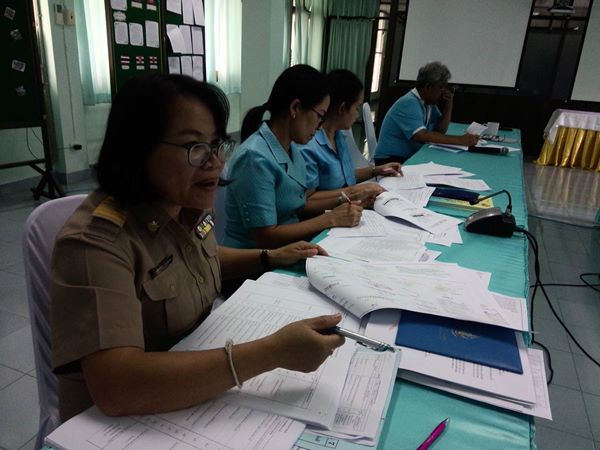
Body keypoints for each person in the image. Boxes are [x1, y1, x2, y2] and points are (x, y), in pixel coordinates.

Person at [50, 74, 345, 422]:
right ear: (138, 149)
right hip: (119, 421)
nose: (215, 163)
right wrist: (272, 353)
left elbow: (194, 260)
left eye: (216, 145)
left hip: (193, 381)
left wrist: (269, 257)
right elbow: (117, 387)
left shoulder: (186, 205)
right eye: (195, 147)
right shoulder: (96, 243)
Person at [224, 65, 362, 249]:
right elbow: (266, 236)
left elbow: (298, 205)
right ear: (295, 108)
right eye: (319, 116)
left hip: (289, 248)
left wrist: (344, 201)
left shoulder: (292, 149)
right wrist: (330, 219)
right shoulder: (254, 158)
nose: (319, 126)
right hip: (257, 259)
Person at [295, 69, 402, 211]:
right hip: (328, 215)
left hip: (347, 208)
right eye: (356, 108)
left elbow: (346, 176)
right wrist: (354, 192)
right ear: (342, 108)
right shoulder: (309, 144)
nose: (357, 115)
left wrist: (377, 170)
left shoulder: (338, 135)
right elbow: (306, 201)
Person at [374, 61, 479, 164]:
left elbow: (440, 131)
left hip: (407, 156)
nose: (444, 91)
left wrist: (449, 104)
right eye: (441, 87)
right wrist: (461, 140)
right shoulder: (409, 102)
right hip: (390, 160)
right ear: (428, 87)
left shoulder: (428, 104)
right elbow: (421, 136)